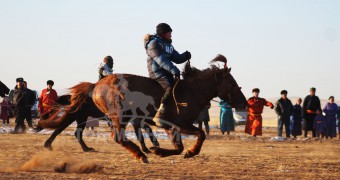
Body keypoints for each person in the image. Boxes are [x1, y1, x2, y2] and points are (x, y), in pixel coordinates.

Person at [144, 23, 191, 127]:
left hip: (167, 71)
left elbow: (176, 58)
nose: (171, 35)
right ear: (163, 33)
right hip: (157, 72)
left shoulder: (168, 45)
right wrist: (174, 70)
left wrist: (185, 56)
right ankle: (160, 114)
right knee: (170, 88)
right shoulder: (154, 43)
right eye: (169, 32)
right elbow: (161, 60)